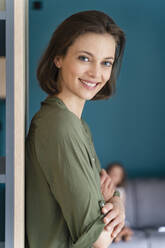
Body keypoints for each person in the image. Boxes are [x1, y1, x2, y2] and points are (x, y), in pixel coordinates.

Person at [25, 10, 126, 248]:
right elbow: (100, 238)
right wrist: (113, 204)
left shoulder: (77, 125)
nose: (96, 73)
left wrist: (117, 202)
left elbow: (106, 192)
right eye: (84, 58)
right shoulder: (60, 126)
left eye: (106, 63)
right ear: (59, 57)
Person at [106, 162, 134, 243]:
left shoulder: (120, 191)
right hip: (109, 217)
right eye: (112, 173)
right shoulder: (104, 188)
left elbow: (120, 205)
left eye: (117, 175)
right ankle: (121, 234)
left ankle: (122, 233)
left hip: (118, 216)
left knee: (122, 225)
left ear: (121, 178)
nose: (114, 176)